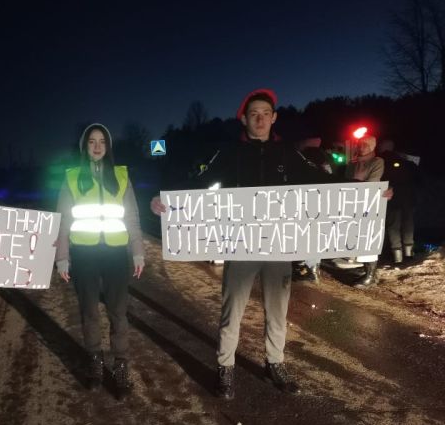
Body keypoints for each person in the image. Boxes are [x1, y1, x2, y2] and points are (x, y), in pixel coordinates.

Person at [151, 89, 365, 401]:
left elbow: (316, 179)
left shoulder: (288, 153)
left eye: (266, 113)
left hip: (278, 246)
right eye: (254, 114)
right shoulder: (230, 152)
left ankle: (274, 363)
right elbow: (200, 182)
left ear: (274, 118)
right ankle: (225, 367)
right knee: (232, 310)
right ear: (244, 119)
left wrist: (365, 191)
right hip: (241, 246)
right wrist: (167, 199)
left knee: (277, 311)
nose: (260, 118)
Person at [55, 123, 145, 400]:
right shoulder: (71, 178)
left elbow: (131, 216)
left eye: (101, 141)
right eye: (91, 141)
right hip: (85, 254)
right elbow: (63, 221)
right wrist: (62, 258)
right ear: (85, 147)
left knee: (118, 312)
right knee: (90, 312)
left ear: (108, 146)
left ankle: (120, 366)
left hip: (116, 253)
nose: (96, 146)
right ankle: (95, 362)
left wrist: (137, 251)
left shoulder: (120, 175)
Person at [344, 135, 385, 287]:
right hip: (353, 202)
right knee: (356, 235)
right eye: (360, 145)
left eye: (366, 145)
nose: (362, 147)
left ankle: (371, 274)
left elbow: (373, 182)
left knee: (367, 237)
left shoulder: (377, 162)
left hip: (368, 203)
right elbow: (345, 181)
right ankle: (362, 267)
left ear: (372, 147)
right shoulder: (352, 163)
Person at [292, 136, 332, 283]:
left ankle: (310, 269)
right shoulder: (322, 156)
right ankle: (309, 268)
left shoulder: (307, 156)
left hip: (309, 201)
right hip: (312, 201)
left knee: (307, 235)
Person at [378, 140, 418, 264]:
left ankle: (397, 256)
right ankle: (409, 253)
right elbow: (416, 178)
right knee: (408, 224)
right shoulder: (406, 161)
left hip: (392, 198)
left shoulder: (380, 160)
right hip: (408, 197)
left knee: (393, 226)